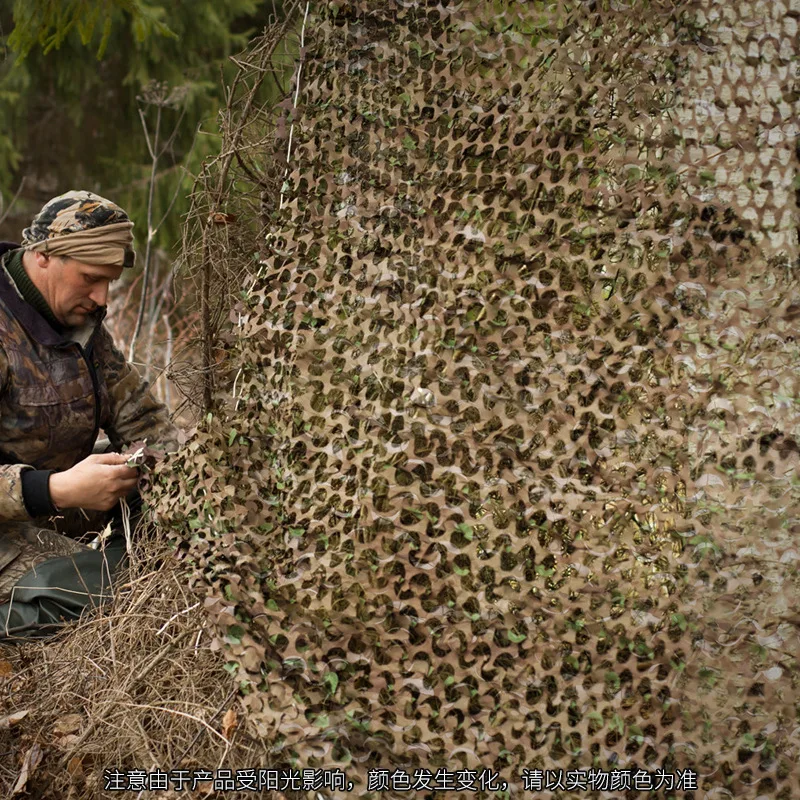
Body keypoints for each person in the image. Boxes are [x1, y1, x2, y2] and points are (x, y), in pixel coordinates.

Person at [0, 190, 180, 639]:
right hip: (15, 516)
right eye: (90, 279)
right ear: (42, 256)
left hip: (54, 503)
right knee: (108, 594)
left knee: (170, 532)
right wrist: (55, 489)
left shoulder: (82, 325)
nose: (102, 299)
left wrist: (181, 484)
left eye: (110, 282)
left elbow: (142, 421)